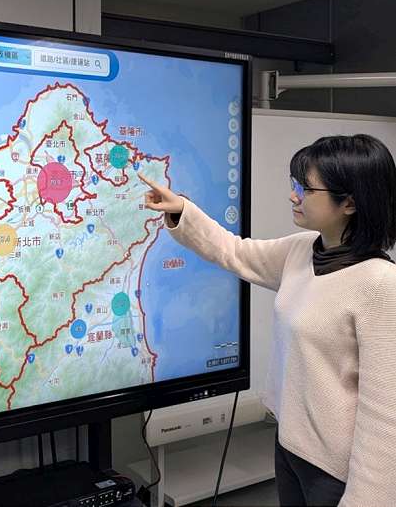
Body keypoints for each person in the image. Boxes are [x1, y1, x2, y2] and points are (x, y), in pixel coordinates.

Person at [139, 133, 396, 507]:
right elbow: (234, 251)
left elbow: (385, 416)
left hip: (336, 473)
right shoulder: (302, 251)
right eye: (294, 184)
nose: (293, 195)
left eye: (305, 188)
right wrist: (183, 210)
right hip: (290, 447)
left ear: (350, 203)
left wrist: (366, 499)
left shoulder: (380, 285)